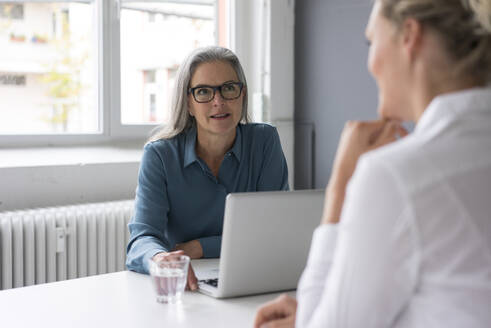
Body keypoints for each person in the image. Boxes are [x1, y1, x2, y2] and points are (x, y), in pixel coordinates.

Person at [254, 0, 491, 327]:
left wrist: (340, 187)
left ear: (409, 35)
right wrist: (322, 308)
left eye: (371, 41)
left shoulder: (396, 175)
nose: (369, 63)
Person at [126, 46, 289, 289]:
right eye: (203, 92)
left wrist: (198, 247)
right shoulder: (159, 155)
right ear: (188, 103)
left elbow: (274, 231)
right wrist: (160, 258)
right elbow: (142, 239)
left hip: (252, 278)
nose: (218, 101)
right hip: (185, 284)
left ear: (242, 94)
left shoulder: (264, 141)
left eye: (228, 88)